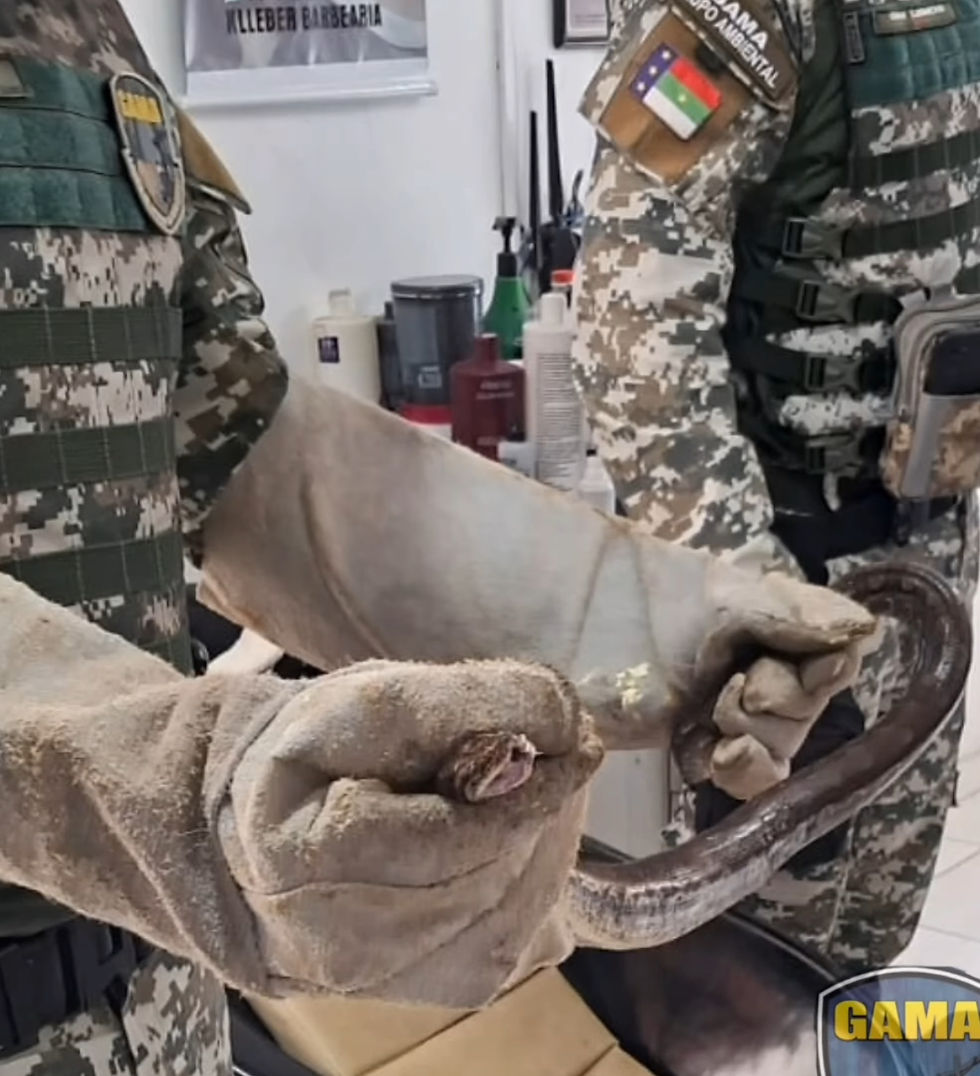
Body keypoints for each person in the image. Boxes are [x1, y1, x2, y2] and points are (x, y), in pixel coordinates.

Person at [0, 2, 876, 1075]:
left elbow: (231, 438)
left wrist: (637, 624)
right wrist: (180, 785)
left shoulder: (78, 28)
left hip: (151, 1014)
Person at [572, 0, 980, 976]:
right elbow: (634, 338)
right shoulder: (736, 15)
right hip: (792, 584)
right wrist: (760, 628)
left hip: (929, 565)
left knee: (871, 941)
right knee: (755, 973)